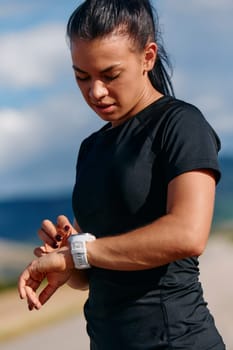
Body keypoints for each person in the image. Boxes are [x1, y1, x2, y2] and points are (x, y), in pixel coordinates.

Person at [18, 1, 226, 349]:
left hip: (175, 340)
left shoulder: (179, 125)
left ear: (148, 57)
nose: (95, 92)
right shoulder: (91, 148)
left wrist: (79, 253)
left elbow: (188, 234)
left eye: (110, 75)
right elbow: (95, 269)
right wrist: (70, 260)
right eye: (81, 77)